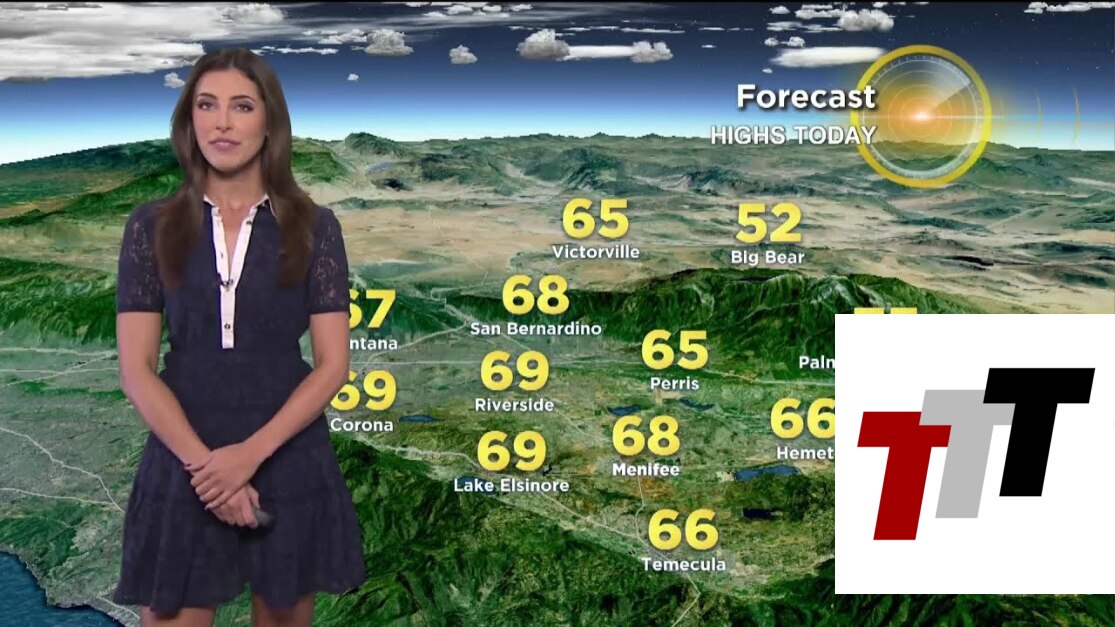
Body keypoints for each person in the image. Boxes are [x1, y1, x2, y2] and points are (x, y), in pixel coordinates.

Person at [112, 48, 366, 626]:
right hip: (184, 456)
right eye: (207, 105)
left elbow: (332, 366)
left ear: (270, 122)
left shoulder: (315, 226)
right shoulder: (149, 226)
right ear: (189, 120)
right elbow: (136, 370)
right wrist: (210, 472)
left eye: (242, 106)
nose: (221, 123)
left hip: (287, 453)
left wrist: (248, 456)